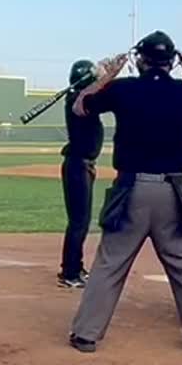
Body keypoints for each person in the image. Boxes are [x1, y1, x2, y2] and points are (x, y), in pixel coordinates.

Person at [68, 31, 182, 355]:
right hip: (172, 192)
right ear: (172, 62)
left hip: (131, 190)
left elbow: (80, 107)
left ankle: (86, 334)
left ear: (139, 59)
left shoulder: (123, 88)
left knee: (110, 263)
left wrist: (106, 77)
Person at [58, 59, 107, 288]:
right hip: (77, 165)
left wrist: (103, 76)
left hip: (82, 165)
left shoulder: (79, 97)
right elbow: (96, 94)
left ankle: (74, 267)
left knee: (81, 221)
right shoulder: (77, 99)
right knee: (79, 221)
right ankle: (70, 272)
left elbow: (100, 92)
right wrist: (107, 75)